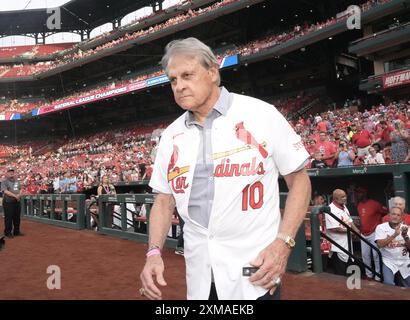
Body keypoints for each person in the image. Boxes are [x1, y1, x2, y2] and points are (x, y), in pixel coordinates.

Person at [139, 38, 311, 300]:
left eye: (187, 75)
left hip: (255, 270)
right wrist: (153, 253)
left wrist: (283, 244)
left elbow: (299, 180)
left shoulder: (261, 114)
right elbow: (164, 200)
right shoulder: (170, 135)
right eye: (173, 80)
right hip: (199, 275)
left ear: (212, 72)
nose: (180, 86)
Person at [355, 186, 388, 280]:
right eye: (357, 193)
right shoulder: (359, 205)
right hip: (363, 234)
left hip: (374, 233)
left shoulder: (375, 204)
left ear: (365, 193)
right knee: (365, 256)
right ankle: (369, 275)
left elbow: (386, 213)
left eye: (360, 193)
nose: (358, 195)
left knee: (376, 255)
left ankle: (377, 276)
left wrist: (381, 227)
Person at [326, 189, 360, 276]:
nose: (345, 198)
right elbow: (334, 228)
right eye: (342, 197)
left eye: (345, 196)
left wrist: (356, 230)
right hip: (337, 247)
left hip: (348, 245)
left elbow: (349, 221)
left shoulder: (344, 207)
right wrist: (351, 232)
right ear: (335, 199)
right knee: (340, 274)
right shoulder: (330, 209)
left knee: (349, 272)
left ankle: (349, 288)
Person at [375, 206, 410, 287]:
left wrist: (405, 236)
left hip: (404, 261)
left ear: (401, 218)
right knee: (388, 284)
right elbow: (379, 244)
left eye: (398, 215)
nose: (395, 216)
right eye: (393, 214)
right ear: (389, 215)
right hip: (389, 261)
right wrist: (394, 235)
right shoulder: (381, 227)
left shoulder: (406, 229)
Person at [1, 168, 23, 238]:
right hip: (8, 202)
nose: (11, 173)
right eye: (9, 172)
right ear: (6, 174)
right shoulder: (4, 182)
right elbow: (5, 191)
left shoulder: (17, 181)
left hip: (17, 201)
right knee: (9, 217)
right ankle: (7, 232)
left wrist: (19, 195)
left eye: (12, 172)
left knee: (17, 217)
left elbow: (21, 189)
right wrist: (15, 196)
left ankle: (16, 231)